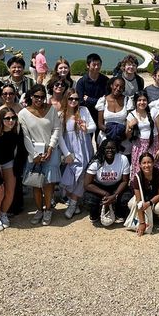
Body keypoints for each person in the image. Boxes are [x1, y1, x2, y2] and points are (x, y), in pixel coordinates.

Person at [19, 84, 66, 225]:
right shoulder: (23, 114)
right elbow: (26, 137)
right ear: (31, 97)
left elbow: (57, 129)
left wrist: (51, 148)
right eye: (36, 96)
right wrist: (34, 155)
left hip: (51, 152)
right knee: (36, 184)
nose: (39, 99)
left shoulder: (51, 109)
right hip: (33, 154)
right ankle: (39, 210)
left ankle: (48, 210)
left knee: (48, 185)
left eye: (42, 97)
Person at [0, 104, 28, 231]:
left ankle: (3, 213)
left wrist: (18, 169)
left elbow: (20, 151)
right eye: (7, 118)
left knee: (10, 191)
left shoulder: (16, 132)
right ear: (1, 120)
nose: (11, 121)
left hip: (8, 162)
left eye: (13, 118)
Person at [60, 88, 96, 219]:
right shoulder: (61, 115)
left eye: (76, 99)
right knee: (71, 175)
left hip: (84, 147)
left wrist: (86, 129)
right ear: (66, 99)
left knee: (82, 175)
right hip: (70, 149)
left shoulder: (83, 111)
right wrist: (66, 153)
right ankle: (74, 201)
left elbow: (94, 126)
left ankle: (72, 204)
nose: (74, 101)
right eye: (71, 98)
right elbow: (59, 136)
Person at [83, 140, 131, 225]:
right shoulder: (96, 161)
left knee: (126, 198)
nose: (110, 150)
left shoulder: (123, 159)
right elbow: (87, 184)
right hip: (100, 187)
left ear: (116, 149)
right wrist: (105, 193)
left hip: (116, 185)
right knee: (89, 200)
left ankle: (119, 212)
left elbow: (125, 181)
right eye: (107, 148)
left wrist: (114, 195)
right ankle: (95, 213)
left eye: (113, 148)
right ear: (102, 149)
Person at [129, 153, 159, 235]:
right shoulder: (137, 178)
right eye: (144, 163)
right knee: (131, 204)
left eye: (149, 162)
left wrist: (149, 203)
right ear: (140, 165)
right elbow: (138, 201)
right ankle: (144, 218)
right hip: (145, 195)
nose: (147, 165)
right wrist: (142, 223)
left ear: (153, 163)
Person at [126, 91, 159, 178]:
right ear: (135, 102)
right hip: (139, 146)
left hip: (154, 144)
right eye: (139, 100)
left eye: (144, 100)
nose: (142, 102)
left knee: (156, 169)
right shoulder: (131, 115)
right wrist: (130, 126)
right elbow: (128, 136)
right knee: (140, 170)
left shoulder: (154, 111)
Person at [75, 53, 108, 126]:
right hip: (87, 115)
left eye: (98, 64)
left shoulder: (106, 81)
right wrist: (99, 101)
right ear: (87, 65)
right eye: (94, 65)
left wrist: (89, 100)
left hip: (101, 115)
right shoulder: (82, 82)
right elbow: (81, 101)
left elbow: (107, 101)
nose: (96, 67)